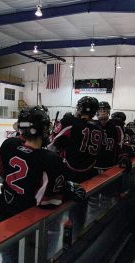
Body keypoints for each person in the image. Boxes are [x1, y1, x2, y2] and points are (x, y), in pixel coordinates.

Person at [0, 106, 71, 263]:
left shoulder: (9, 145)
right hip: (35, 222)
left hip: (6, 210)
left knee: (9, 254)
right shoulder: (51, 159)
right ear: (42, 129)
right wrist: (68, 189)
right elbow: (51, 202)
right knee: (43, 254)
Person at [48, 96, 102, 233]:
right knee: (80, 206)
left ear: (80, 108)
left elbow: (53, 142)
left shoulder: (70, 121)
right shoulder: (99, 128)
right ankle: (78, 233)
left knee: (61, 206)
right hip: (89, 173)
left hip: (69, 172)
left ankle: (58, 235)